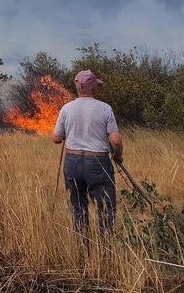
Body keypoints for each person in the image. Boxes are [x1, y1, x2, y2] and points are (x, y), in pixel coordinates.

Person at [51, 70, 123, 244]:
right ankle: (105, 249)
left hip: (73, 163)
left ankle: (83, 248)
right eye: (96, 85)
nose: (98, 88)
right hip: (97, 163)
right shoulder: (105, 108)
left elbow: (56, 138)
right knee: (106, 208)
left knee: (78, 208)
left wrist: (68, 132)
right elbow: (116, 140)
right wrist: (118, 156)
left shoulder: (66, 108)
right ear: (92, 88)